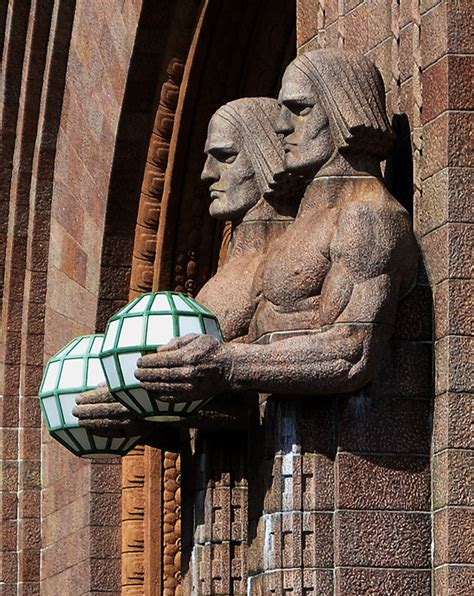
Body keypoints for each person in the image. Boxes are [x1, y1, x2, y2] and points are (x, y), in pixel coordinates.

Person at [134, 49, 418, 402]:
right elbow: (258, 343)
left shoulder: (368, 217)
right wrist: (143, 393)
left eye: (299, 109)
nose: (282, 125)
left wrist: (226, 363)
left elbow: (352, 351)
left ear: (343, 108)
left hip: (344, 444)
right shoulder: (301, 230)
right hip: (284, 446)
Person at [73, 97, 296, 433]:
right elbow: (218, 405)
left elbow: (264, 397)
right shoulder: (224, 272)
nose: (207, 174)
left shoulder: (286, 261)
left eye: (225, 157)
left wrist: (146, 409)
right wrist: (140, 409)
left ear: (265, 153)